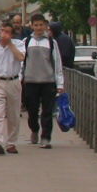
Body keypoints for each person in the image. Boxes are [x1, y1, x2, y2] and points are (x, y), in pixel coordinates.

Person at [21, 14, 66, 147]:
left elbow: (57, 63)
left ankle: (46, 137)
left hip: (48, 81)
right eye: (36, 25)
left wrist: (60, 83)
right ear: (32, 26)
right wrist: (20, 78)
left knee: (47, 111)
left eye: (41, 25)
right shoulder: (26, 42)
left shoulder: (51, 42)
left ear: (46, 26)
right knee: (32, 111)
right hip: (31, 81)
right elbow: (21, 62)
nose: (39, 28)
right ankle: (34, 129)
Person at [0, 22, 26, 155]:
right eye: (2, 31)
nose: (4, 34)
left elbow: (21, 57)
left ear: (12, 34)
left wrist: (10, 44)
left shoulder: (19, 44)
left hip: (13, 81)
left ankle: (11, 143)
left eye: (7, 32)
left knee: (13, 114)